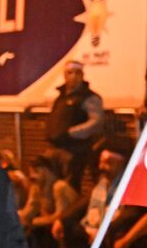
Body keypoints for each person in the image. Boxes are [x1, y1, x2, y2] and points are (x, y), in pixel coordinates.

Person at [45, 60, 105, 188]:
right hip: (55, 149)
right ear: (64, 75)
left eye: (77, 73)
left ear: (82, 75)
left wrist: (72, 133)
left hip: (74, 150)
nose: (73, 76)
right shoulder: (61, 97)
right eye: (70, 73)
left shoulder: (89, 97)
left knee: (69, 187)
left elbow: (96, 122)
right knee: (50, 185)